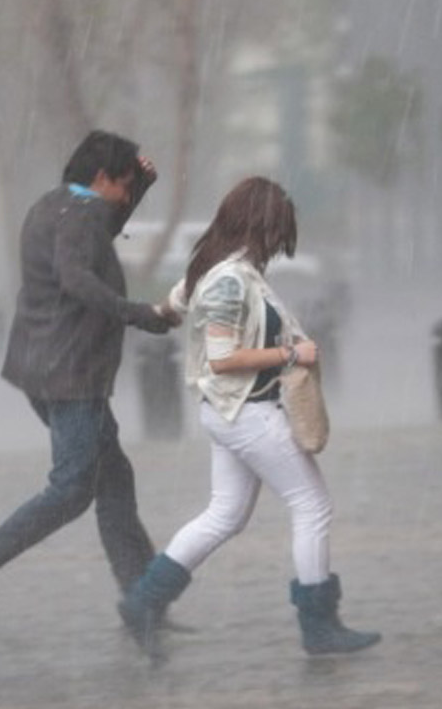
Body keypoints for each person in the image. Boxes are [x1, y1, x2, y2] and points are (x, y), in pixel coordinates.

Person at [118, 177, 381, 662]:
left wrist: (155, 313)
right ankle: (318, 625)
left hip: (227, 413)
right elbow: (222, 358)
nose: (280, 243)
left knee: (224, 515)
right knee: (312, 506)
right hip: (246, 413)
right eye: (279, 230)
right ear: (262, 225)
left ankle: (143, 603)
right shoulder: (229, 279)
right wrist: (291, 352)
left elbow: (174, 303)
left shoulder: (215, 269)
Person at [0, 130, 180, 644]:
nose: (127, 192)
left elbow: (96, 237)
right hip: (72, 375)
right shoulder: (82, 217)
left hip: (41, 366)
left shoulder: (54, 207)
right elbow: (77, 275)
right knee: (72, 489)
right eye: (126, 183)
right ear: (101, 178)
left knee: (113, 480)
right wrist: (142, 315)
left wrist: (142, 190)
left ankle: (144, 598)